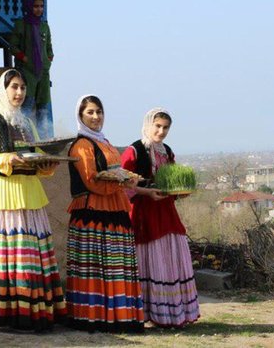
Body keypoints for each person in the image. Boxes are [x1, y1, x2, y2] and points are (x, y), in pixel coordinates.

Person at [0, 69, 66, 332]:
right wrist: (6, 159)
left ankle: (35, 311)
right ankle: (12, 313)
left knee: (33, 257)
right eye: (14, 87)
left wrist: (47, 164)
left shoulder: (27, 123)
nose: (19, 92)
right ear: (4, 89)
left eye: (23, 87)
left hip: (30, 194)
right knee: (11, 257)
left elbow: (35, 155)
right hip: (3, 195)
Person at [65, 94, 144, 333]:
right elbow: (91, 181)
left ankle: (120, 316)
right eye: (90, 112)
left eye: (99, 112)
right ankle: (94, 316)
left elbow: (114, 172)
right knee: (95, 267)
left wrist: (124, 181)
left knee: (116, 266)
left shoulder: (105, 142)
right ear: (80, 116)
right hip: (92, 213)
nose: (96, 117)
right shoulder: (81, 145)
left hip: (115, 210)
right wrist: (120, 183)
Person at [120, 108, 200, 328]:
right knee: (151, 259)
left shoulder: (167, 151)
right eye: (157, 126)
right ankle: (151, 313)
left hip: (166, 211)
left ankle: (172, 314)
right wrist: (147, 192)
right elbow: (123, 184)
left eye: (165, 127)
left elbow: (172, 180)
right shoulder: (133, 151)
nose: (161, 131)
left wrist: (180, 190)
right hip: (144, 214)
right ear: (147, 125)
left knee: (172, 255)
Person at [9, 0, 54, 139]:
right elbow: (13, 46)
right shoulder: (21, 25)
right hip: (27, 72)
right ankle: (24, 137)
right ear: (29, 7)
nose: (39, 9)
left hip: (44, 72)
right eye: (35, 6)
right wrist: (25, 58)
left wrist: (49, 58)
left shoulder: (44, 26)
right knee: (26, 106)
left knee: (43, 107)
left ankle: (43, 139)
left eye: (41, 6)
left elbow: (49, 46)